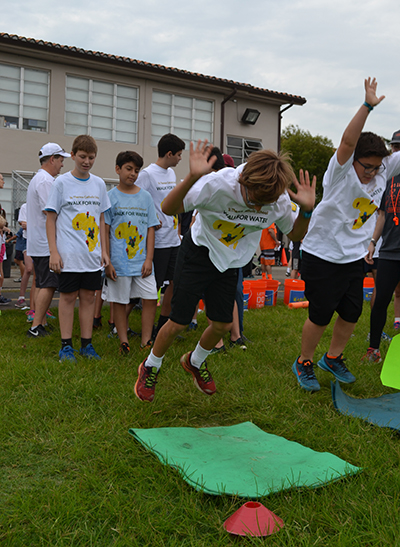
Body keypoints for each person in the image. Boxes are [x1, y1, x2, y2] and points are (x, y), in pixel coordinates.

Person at [134, 139, 316, 402]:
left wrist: (307, 211)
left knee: (223, 324)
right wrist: (191, 177)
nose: (256, 208)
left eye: (262, 205)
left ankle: (194, 362)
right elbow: (168, 209)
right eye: (253, 200)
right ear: (244, 182)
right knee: (179, 322)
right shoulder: (218, 184)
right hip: (199, 252)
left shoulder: (278, 198)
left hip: (230, 261)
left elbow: (295, 233)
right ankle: (150, 365)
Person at [292, 78, 400, 392]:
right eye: (366, 166)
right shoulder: (339, 172)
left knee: (352, 311)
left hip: (353, 256)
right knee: (321, 314)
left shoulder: (382, 170)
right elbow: (348, 142)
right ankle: (305, 362)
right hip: (322, 254)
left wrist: (379, 168)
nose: (371, 172)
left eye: (376, 167)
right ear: (353, 162)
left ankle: (333, 357)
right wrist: (367, 106)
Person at [45, 135, 110, 362]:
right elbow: (51, 219)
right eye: (82, 157)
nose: (87, 161)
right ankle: (66, 346)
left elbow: (101, 219)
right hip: (68, 255)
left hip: (91, 256)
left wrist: (103, 249)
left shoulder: (99, 184)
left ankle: (86, 344)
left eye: (91, 158)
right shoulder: (61, 183)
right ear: (72, 155)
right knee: (68, 297)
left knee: (89, 298)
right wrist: (53, 251)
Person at [103, 151, 159, 354]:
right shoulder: (109, 197)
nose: (133, 174)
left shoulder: (145, 197)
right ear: (118, 169)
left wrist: (149, 259)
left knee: (150, 298)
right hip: (119, 262)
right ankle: (123, 340)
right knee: (119, 301)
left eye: (136, 170)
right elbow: (105, 231)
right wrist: (107, 261)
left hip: (142, 262)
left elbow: (151, 228)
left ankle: (146, 341)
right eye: (128, 169)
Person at [136, 133, 185, 338]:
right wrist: (150, 218)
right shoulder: (147, 174)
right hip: (156, 242)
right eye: (179, 155)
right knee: (152, 287)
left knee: (175, 282)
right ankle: (129, 326)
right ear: (169, 153)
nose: (180, 159)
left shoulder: (171, 175)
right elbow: (135, 198)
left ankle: (162, 327)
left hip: (173, 239)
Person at [26, 143, 71, 337]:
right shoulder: (45, 181)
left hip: (38, 242)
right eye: (61, 160)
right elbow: (50, 210)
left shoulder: (39, 178)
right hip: (45, 243)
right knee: (48, 284)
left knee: (41, 282)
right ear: (52, 159)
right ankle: (36, 327)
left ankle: (40, 321)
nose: (62, 165)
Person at [364, 129, 400, 361]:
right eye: (395, 147)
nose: (397, 151)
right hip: (389, 251)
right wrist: (373, 242)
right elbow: (382, 216)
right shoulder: (387, 180)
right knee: (380, 301)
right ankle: (373, 349)